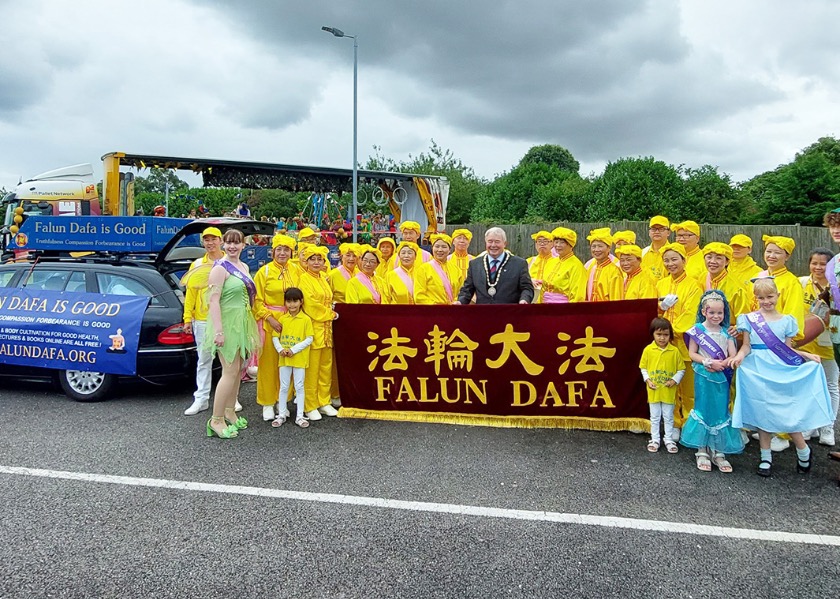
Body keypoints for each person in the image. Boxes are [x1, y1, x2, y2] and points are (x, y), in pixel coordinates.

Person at [730, 278, 833, 477]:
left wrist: (807, 355)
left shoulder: (787, 321)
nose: (766, 301)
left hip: (779, 369)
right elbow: (746, 345)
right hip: (757, 370)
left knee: (785, 414)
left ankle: (803, 451)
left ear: (778, 296)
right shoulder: (749, 319)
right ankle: (765, 457)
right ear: (756, 298)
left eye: (769, 297)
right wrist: (739, 356)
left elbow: (787, 349)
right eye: (761, 298)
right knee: (762, 414)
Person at [204, 229, 260, 439]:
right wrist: (218, 330)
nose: (232, 246)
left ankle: (229, 412)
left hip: (242, 323)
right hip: (226, 324)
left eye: (237, 243)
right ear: (223, 244)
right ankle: (216, 419)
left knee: (237, 371)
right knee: (228, 372)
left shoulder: (243, 266)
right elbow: (213, 301)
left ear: (244, 245)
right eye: (228, 243)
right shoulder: (220, 269)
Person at [681, 291, 744, 472]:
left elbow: (732, 354)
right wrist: (708, 361)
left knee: (720, 411)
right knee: (704, 409)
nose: (716, 316)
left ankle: (718, 451)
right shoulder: (697, 330)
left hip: (721, 376)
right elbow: (692, 353)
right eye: (712, 312)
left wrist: (722, 363)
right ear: (703, 311)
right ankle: (702, 449)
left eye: (720, 313)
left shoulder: (727, 333)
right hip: (703, 374)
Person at [656, 242, 704, 439]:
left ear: (684, 261)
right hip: (663, 345)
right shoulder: (660, 284)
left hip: (684, 344)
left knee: (688, 389)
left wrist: (669, 331)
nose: (670, 263)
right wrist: (660, 308)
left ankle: (691, 425)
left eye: (674, 259)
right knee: (669, 387)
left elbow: (691, 314)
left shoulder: (694, 285)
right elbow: (655, 311)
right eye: (666, 260)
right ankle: (673, 422)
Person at [252, 234, 299, 422]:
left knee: (287, 364)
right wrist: (269, 318)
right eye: (279, 249)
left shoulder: (296, 270)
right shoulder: (263, 272)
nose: (282, 253)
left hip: (291, 321)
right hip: (271, 322)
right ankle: (267, 403)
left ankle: (283, 401)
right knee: (269, 364)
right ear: (273, 251)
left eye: (286, 250)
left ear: (291, 252)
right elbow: (256, 300)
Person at [183, 226, 224, 416]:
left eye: (213, 239)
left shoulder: (228, 261)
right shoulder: (198, 263)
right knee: (204, 360)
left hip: (225, 318)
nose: (210, 243)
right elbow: (190, 292)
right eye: (207, 240)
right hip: (201, 318)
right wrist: (187, 318)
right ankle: (201, 399)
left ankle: (230, 399)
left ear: (220, 241)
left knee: (229, 360)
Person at [799, 247, 839, 446]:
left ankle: (828, 426)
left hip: (829, 341)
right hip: (805, 343)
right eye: (814, 263)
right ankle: (810, 424)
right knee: (808, 385)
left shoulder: (837, 286)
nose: (818, 267)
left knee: (831, 385)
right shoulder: (802, 283)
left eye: (823, 264)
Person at [297, 245, 339, 421]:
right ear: (306, 262)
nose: (316, 262)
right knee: (312, 369)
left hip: (327, 329)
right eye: (312, 259)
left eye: (319, 259)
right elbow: (311, 304)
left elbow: (328, 299)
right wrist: (331, 313)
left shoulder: (323, 277)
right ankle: (310, 404)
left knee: (325, 367)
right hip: (313, 329)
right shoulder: (304, 279)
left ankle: (324, 400)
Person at [639, 317, 684, 454]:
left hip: (668, 391)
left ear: (670, 335)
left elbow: (681, 369)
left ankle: (669, 439)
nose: (662, 338)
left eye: (665, 335)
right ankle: (655, 439)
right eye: (659, 334)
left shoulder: (675, 351)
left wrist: (674, 380)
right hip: (653, 391)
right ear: (653, 334)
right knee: (655, 416)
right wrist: (648, 380)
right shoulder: (648, 350)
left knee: (668, 416)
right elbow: (643, 367)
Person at [455, 227, 534, 305]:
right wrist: (460, 302)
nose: (493, 245)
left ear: (505, 244)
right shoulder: (474, 264)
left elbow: (527, 288)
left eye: (497, 242)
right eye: (490, 241)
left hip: (510, 314)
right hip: (483, 315)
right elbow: (467, 290)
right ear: (485, 243)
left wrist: (524, 300)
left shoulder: (519, 264)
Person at [270, 287, 313, 428]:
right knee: (284, 386)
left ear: (301, 302)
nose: (292, 305)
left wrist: (293, 350)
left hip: (299, 358)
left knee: (299, 386)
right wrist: (281, 350)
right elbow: (275, 337)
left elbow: (309, 339)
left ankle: (300, 416)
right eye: (289, 301)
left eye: (295, 301)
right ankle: (281, 414)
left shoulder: (306, 319)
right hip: (284, 358)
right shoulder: (282, 319)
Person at [702, 242, 751, 321]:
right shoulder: (702, 278)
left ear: (727, 262)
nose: (713, 261)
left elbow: (744, 319)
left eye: (718, 258)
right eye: (709, 257)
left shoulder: (737, 289)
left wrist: (736, 329)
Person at [415, 234, 464, 305]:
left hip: (453, 310)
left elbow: (462, 292)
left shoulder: (456, 269)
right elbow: (419, 296)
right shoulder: (423, 269)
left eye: (444, 247)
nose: (440, 250)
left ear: (449, 250)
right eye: (437, 246)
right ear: (432, 248)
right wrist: (435, 305)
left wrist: (455, 302)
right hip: (432, 312)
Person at [541, 227, 586, 303]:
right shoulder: (551, 262)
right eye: (556, 242)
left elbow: (577, 295)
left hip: (564, 308)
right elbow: (543, 289)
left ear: (570, 245)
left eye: (562, 242)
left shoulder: (576, 265)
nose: (558, 245)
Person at [585, 228, 623, 301]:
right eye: (594, 246)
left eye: (600, 246)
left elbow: (616, 300)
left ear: (609, 248)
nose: (596, 250)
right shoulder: (589, 266)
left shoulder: (614, 271)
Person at [527, 231, 557, 304]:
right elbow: (520, 278)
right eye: (539, 241)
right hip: (531, 297)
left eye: (545, 241)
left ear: (552, 244)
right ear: (536, 244)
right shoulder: (529, 261)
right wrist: (530, 280)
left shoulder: (557, 262)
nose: (542, 244)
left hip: (550, 300)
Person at [641, 216, 670, 281]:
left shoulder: (674, 253)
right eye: (653, 229)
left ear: (668, 232)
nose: (657, 232)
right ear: (649, 232)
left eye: (661, 229)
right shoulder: (643, 253)